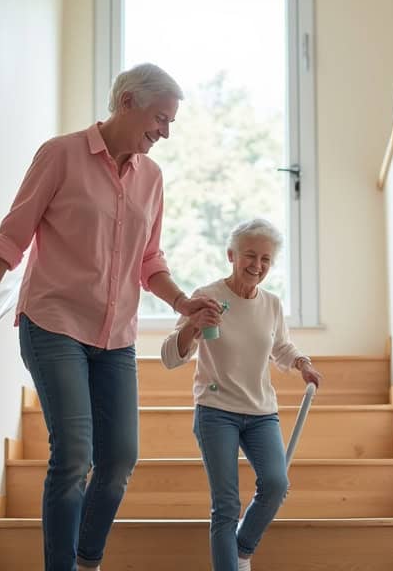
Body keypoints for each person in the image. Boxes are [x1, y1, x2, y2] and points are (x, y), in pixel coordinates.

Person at [0, 63, 220, 571]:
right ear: (126, 102)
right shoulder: (61, 155)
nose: (166, 132)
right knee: (74, 453)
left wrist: (182, 303)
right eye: (160, 118)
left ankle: (86, 561)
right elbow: (14, 233)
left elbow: (150, 260)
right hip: (54, 323)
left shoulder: (151, 177)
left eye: (170, 122)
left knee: (120, 457)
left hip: (115, 335)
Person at [160, 218, 323, 571]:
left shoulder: (272, 304)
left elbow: (281, 347)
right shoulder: (207, 296)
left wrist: (302, 363)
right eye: (250, 255)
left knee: (276, 484)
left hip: (261, 411)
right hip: (216, 410)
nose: (257, 265)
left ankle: (241, 553)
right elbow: (171, 356)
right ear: (231, 255)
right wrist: (192, 325)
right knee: (226, 505)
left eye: (266, 259)